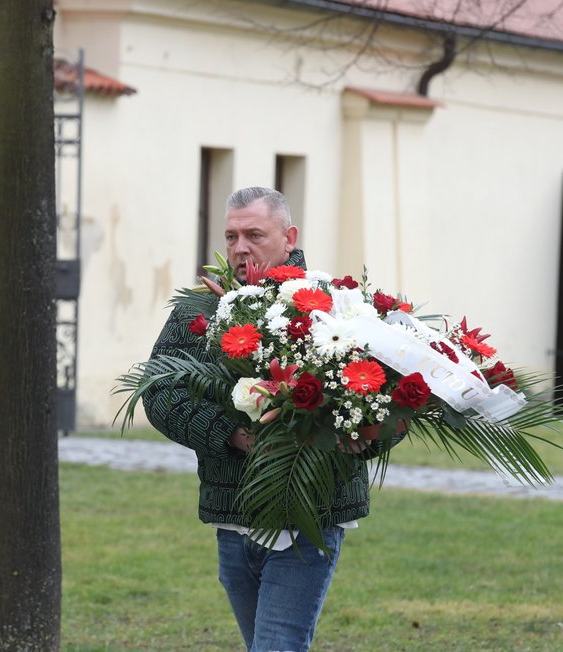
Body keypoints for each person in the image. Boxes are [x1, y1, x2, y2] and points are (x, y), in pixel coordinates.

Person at [142, 186, 404, 651]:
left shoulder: (334, 303)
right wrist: (232, 435)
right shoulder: (198, 310)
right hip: (233, 514)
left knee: (277, 646)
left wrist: (368, 436)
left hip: (310, 517)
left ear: (289, 237)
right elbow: (160, 393)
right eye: (231, 236)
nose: (241, 248)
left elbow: (388, 396)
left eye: (254, 235)